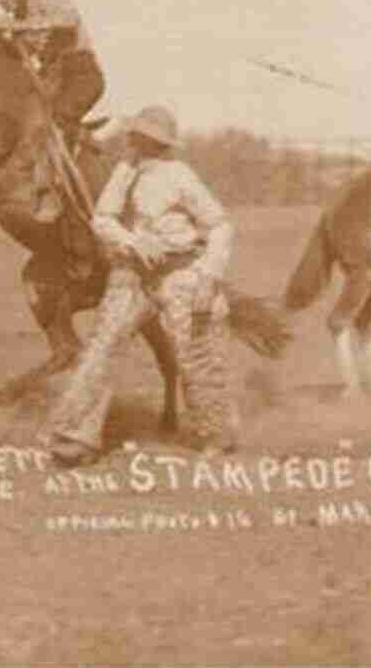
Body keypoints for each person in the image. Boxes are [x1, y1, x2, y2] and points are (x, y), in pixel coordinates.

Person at [39, 105, 239, 467]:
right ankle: (76, 434)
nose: (130, 144)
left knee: (195, 354)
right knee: (103, 344)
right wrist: (132, 243)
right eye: (133, 137)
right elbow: (102, 219)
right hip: (132, 273)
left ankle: (216, 434)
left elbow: (221, 225)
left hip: (183, 271)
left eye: (138, 139)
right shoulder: (124, 172)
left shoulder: (180, 176)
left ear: (152, 144)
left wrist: (209, 275)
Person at [0, 0, 105, 223]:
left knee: (52, 124)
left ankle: (51, 193)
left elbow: (67, 20)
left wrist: (16, 27)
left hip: (80, 74)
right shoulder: (18, 16)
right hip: (51, 78)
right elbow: (27, 52)